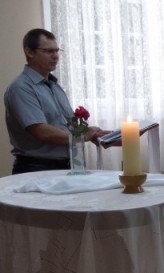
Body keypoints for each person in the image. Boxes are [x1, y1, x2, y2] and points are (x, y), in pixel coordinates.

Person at [4, 28, 108, 174]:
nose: (56, 56)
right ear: (29, 52)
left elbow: (70, 128)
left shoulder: (55, 87)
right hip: (36, 169)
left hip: (66, 166)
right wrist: (85, 135)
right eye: (48, 51)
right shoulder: (21, 88)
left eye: (57, 51)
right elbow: (42, 132)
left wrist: (102, 134)